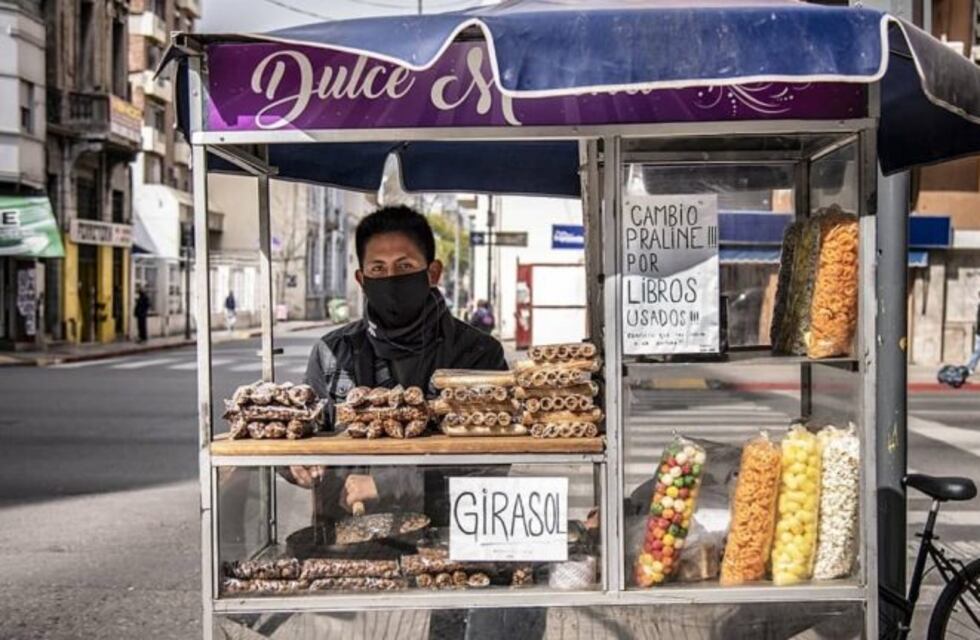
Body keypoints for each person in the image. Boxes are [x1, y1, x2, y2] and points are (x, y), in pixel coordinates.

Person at [286, 206, 542, 639]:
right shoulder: (334, 353)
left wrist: (387, 483)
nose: (391, 279)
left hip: (450, 542)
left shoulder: (476, 353)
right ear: (361, 280)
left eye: (404, 267)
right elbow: (306, 430)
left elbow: (489, 460)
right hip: (352, 553)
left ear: (432, 272)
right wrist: (295, 465)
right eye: (378, 269)